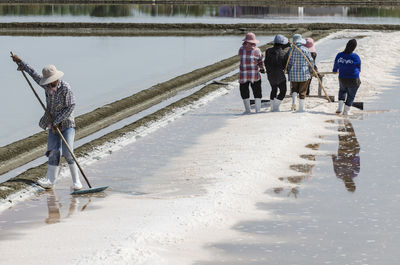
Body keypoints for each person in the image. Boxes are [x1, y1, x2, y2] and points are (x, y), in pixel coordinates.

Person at [11, 54, 83, 191]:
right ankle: (50, 181)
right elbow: (33, 74)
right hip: (52, 124)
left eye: (52, 80)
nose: (51, 83)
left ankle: (77, 182)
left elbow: (71, 107)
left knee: (68, 153)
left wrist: (57, 121)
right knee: (53, 151)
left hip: (67, 124)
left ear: (57, 78)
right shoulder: (46, 86)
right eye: (48, 81)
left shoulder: (66, 88)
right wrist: (21, 63)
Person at [285, 34, 314, 112]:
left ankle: (293, 103)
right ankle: (301, 108)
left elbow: (289, 63)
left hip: (293, 74)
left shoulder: (290, 50)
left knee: (294, 89)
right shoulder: (305, 49)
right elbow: (310, 61)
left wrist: (288, 70)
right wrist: (311, 69)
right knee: (302, 91)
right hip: (304, 74)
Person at [238, 32, 266, 113]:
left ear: (245, 41)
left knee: (244, 92)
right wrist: (262, 68)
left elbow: (240, 57)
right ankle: (257, 110)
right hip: (254, 75)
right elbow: (260, 61)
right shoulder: (257, 50)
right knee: (257, 91)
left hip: (243, 75)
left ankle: (247, 110)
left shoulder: (241, 49)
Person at [332, 39, 361, 115]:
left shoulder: (339, 55)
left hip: (342, 77)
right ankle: (346, 111)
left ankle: (339, 108)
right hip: (353, 78)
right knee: (351, 95)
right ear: (354, 47)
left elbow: (335, 65)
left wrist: (335, 70)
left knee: (342, 90)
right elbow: (359, 68)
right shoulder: (355, 57)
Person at [264, 34, 289, 112]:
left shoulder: (268, 51)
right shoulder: (283, 54)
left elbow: (266, 62)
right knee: (283, 91)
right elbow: (285, 66)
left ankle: (272, 107)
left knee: (273, 89)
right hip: (280, 75)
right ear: (282, 44)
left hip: (270, 75)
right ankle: (275, 107)